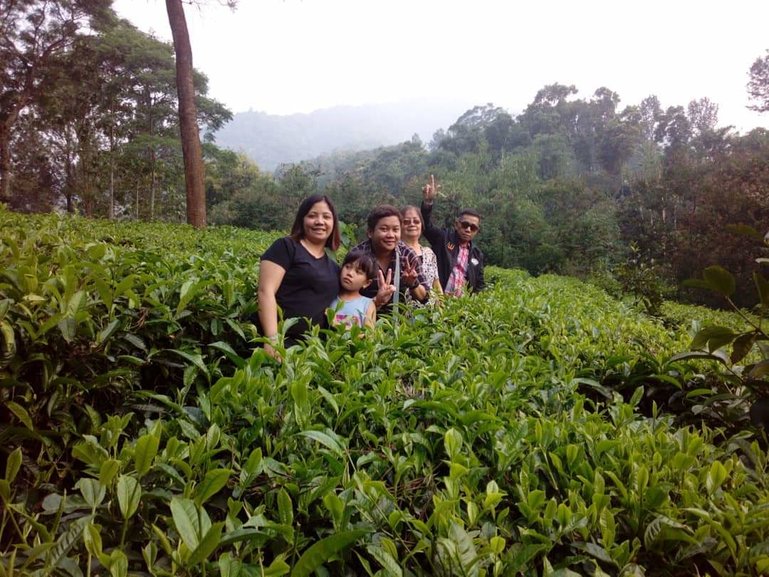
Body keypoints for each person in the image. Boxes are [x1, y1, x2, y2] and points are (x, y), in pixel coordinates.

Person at [257, 194, 341, 358]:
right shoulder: (286, 247)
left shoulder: (334, 267)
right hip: (280, 342)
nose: (320, 222)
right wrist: (272, 339)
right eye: (312, 215)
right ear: (302, 220)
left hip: (311, 349)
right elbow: (265, 291)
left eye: (326, 217)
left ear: (333, 224)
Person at [351, 204, 429, 313]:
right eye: (384, 229)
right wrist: (377, 301)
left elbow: (424, 298)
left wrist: (413, 284)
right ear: (370, 232)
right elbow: (346, 298)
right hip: (363, 322)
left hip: (398, 325)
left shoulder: (407, 254)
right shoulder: (357, 256)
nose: (391, 235)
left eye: (395, 229)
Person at [421, 176, 485, 296]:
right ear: (457, 224)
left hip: (460, 307)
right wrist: (428, 203)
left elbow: (479, 284)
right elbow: (426, 226)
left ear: (476, 231)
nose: (468, 229)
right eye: (465, 225)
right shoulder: (443, 238)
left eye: (473, 227)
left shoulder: (477, 254)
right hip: (439, 301)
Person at [400, 205, 442, 303]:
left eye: (416, 221)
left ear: (422, 225)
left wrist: (442, 307)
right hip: (403, 312)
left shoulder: (429, 253)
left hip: (430, 311)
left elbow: (436, 283)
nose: (412, 224)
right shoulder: (396, 252)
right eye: (406, 222)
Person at [328, 251, 377, 329]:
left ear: (367, 283)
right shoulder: (328, 297)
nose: (350, 273)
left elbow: (369, 336)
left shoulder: (367, 305)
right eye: (347, 267)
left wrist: (337, 324)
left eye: (358, 272)